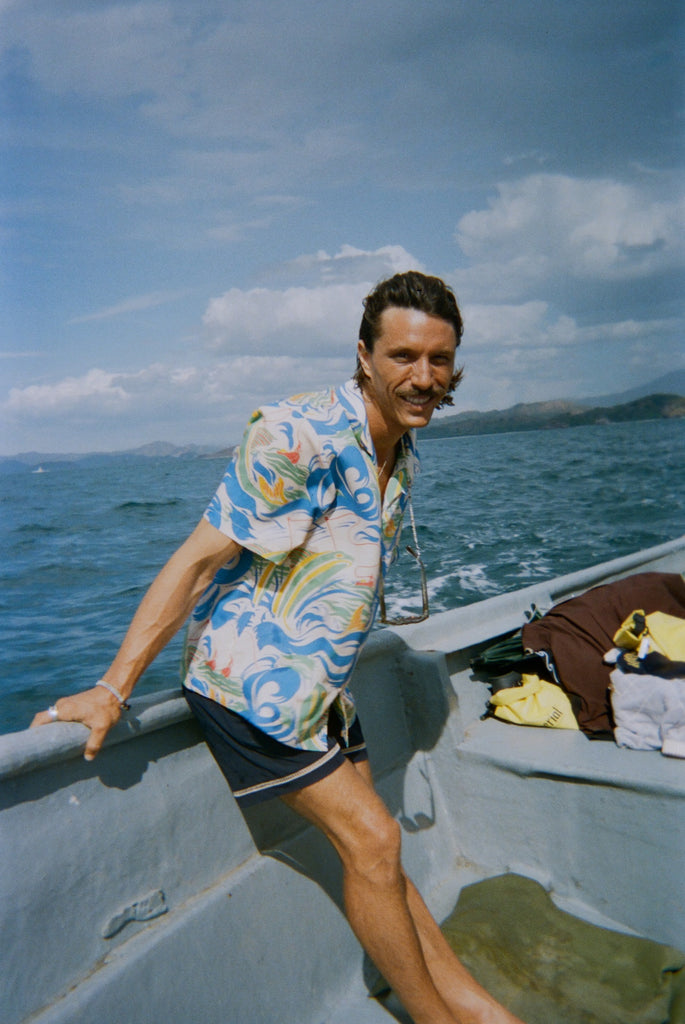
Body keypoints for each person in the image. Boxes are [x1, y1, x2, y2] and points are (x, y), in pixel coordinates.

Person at [32, 271, 524, 1024]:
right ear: (363, 355)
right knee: (373, 839)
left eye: (438, 359)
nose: (422, 377)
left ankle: (470, 1003)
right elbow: (196, 561)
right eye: (401, 356)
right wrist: (114, 687)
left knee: (377, 850)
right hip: (249, 683)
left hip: (320, 685)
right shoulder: (296, 433)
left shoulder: (397, 445)